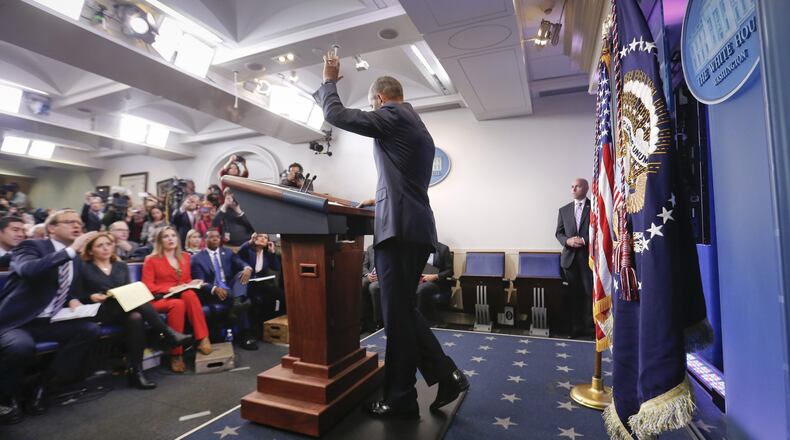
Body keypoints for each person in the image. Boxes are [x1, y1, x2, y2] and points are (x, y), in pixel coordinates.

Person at [314, 53, 467, 418]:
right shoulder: (415, 122)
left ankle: (403, 395)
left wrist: (329, 80)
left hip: (399, 230)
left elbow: (336, 116)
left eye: (372, 106)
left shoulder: (393, 115)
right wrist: (379, 197)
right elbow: (402, 178)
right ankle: (443, 377)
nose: (372, 111)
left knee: (396, 314)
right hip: (409, 224)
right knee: (400, 311)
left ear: (380, 100)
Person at [0, 210, 101, 423]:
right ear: (51, 228)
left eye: (79, 223)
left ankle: (43, 386)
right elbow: (28, 270)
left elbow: (64, 286)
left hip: (50, 320)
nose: (77, 226)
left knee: (90, 330)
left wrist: (73, 298)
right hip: (19, 321)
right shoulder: (31, 246)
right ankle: (7, 398)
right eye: (69, 222)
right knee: (20, 347)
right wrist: (72, 250)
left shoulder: (73, 258)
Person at [79, 232, 192, 389]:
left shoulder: (120, 266)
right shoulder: (84, 268)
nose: (105, 248)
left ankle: (136, 372)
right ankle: (167, 334)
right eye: (100, 245)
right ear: (91, 251)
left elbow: (128, 288)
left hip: (124, 307)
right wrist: (91, 296)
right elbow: (78, 294)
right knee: (138, 304)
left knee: (136, 317)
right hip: (101, 309)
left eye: (108, 244)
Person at [141, 226, 212, 372]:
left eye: (173, 235)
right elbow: (147, 286)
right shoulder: (151, 260)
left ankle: (203, 337)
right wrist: (169, 289)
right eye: (166, 236)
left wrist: (191, 283)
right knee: (178, 304)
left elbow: (185, 279)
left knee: (190, 294)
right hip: (158, 299)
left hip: (180, 293)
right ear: (160, 241)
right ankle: (176, 353)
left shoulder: (185, 256)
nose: (170, 239)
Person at [191, 229, 256, 350]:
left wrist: (247, 267)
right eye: (212, 237)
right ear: (205, 240)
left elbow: (239, 262)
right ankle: (246, 333)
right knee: (244, 300)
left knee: (241, 274)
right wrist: (214, 288)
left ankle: (237, 302)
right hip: (213, 291)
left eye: (217, 236)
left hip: (229, 287)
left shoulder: (227, 252)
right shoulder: (197, 258)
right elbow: (199, 281)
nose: (215, 239)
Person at [555, 178, 593, 338]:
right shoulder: (563, 210)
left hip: (588, 259)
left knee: (588, 294)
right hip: (569, 260)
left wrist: (584, 240)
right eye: (571, 186)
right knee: (572, 294)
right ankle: (574, 329)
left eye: (576, 186)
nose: (573, 189)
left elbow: (599, 230)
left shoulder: (595, 208)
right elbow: (559, 233)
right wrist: (568, 241)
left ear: (585, 188)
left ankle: (590, 329)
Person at [237, 233, 284, 328]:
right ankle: (254, 328)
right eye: (260, 236)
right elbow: (240, 250)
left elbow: (276, 267)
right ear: (254, 238)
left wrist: (272, 253)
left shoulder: (266, 253)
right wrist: (250, 242)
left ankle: (272, 321)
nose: (263, 238)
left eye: (266, 238)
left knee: (280, 295)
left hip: (261, 283)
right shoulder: (247, 250)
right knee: (254, 300)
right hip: (246, 283)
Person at [415, 241, 453, 325]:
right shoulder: (417, 248)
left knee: (420, 290)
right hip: (419, 280)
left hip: (436, 283)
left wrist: (435, 276)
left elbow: (450, 271)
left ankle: (420, 323)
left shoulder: (443, 249)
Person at [360, 245, 380, 332]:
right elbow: (363, 266)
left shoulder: (390, 248)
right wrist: (368, 275)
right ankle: (364, 321)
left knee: (373, 287)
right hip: (370, 276)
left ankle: (377, 322)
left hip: (383, 277)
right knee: (361, 283)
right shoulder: (370, 248)